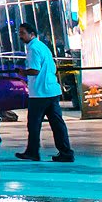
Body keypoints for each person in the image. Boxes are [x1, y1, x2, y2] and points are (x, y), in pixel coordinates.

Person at [16, 23, 74, 162]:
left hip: (40, 93)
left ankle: (32, 152)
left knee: (34, 124)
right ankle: (66, 152)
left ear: (32, 34)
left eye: (23, 33)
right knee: (57, 124)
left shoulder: (33, 49)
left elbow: (34, 70)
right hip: (51, 90)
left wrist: (22, 72)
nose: (21, 36)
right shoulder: (42, 47)